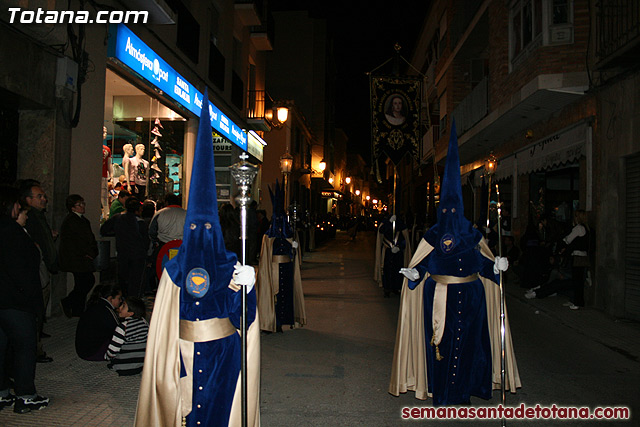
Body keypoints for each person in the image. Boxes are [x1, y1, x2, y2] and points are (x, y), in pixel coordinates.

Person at [135, 90, 260, 427]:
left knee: (220, 414)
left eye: (208, 227)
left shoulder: (230, 264)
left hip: (224, 356)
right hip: (183, 355)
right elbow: (161, 326)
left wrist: (247, 287)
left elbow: (243, 319)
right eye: (196, 227)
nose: (202, 232)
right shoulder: (175, 270)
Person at [389, 120, 520, 406]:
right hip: (439, 301)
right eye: (444, 208)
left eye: (453, 208)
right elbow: (424, 265)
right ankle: (442, 394)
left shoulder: (472, 235)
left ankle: (463, 394)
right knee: (442, 347)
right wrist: (414, 274)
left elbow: (482, 266)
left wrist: (496, 267)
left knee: (471, 347)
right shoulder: (433, 235)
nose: (449, 212)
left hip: (472, 301)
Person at [0, 185, 50, 413]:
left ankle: (2, 392)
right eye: (18, 206)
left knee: (3, 347)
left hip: (6, 300)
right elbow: (21, 269)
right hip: (16, 301)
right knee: (24, 347)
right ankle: (25, 395)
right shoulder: (11, 232)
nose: (21, 208)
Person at [257, 181, 307, 333]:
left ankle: (280, 322)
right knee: (273, 295)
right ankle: (271, 321)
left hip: (285, 269)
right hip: (272, 269)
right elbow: (265, 253)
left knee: (284, 297)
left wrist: (293, 246)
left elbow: (293, 252)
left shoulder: (288, 234)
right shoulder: (268, 236)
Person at [18, 179, 56, 362]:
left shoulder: (38, 216)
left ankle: (36, 341)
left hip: (42, 268)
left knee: (38, 311)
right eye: (39, 196)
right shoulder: (29, 218)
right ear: (28, 199)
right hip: (35, 271)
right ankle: (34, 349)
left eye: (44, 196)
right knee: (34, 312)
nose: (44, 199)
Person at [101, 197, 150, 298]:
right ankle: (134, 301)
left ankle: (123, 299)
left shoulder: (117, 218)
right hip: (138, 256)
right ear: (138, 210)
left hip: (122, 253)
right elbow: (146, 241)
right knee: (136, 281)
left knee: (123, 279)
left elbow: (104, 230)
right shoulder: (140, 223)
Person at [59, 195, 99, 317]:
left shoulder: (81, 220)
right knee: (84, 281)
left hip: (82, 256)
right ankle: (73, 305)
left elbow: (88, 239)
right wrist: (86, 253)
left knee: (84, 282)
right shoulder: (72, 221)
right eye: (79, 205)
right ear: (73, 208)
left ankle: (76, 307)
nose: (82, 206)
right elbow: (75, 242)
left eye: (83, 204)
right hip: (78, 258)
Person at [75, 284, 123, 361]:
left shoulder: (94, 304)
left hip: (83, 351)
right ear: (110, 298)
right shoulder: (107, 310)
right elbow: (119, 331)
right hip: (93, 353)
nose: (120, 301)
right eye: (119, 298)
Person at [106, 296, 149, 376]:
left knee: (114, 354)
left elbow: (113, 350)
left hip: (123, 367)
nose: (120, 307)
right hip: (142, 366)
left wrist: (107, 356)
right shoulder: (145, 324)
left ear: (130, 313)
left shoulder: (123, 327)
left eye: (123, 306)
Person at [374, 214, 412, 297]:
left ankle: (396, 287)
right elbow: (381, 231)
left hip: (398, 252)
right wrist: (388, 222)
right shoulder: (385, 224)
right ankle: (387, 289)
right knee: (387, 270)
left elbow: (404, 239)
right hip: (387, 250)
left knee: (398, 269)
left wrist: (399, 247)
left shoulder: (400, 224)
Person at [562, 209, 590, 310]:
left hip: (577, 257)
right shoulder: (585, 228)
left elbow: (568, 240)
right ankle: (575, 300)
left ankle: (578, 302)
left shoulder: (578, 228)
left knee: (577, 280)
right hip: (583, 256)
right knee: (577, 279)